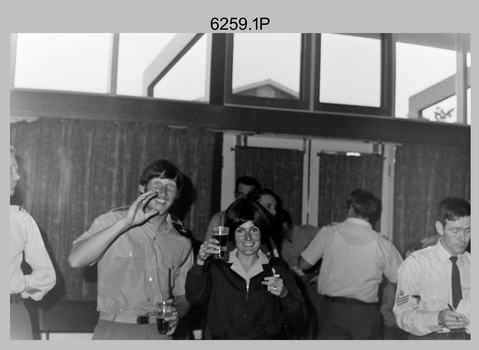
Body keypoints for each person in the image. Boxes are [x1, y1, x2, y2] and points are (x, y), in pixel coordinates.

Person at [68, 159, 194, 340]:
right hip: (115, 330)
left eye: (171, 186)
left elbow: (183, 296)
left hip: (159, 334)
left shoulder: (182, 242)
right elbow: (76, 260)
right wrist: (125, 224)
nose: (164, 192)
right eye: (157, 183)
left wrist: (177, 314)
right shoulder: (111, 221)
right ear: (142, 188)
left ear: (178, 194)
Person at [185, 199, 306, 339]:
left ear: (262, 232)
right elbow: (194, 298)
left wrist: (284, 294)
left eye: (254, 230)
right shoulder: (217, 267)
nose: (248, 237)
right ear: (232, 234)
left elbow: (300, 319)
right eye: (240, 230)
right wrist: (200, 262)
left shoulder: (277, 267)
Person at [298, 189, 403, 340]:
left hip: (332, 310)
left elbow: (303, 265)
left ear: (351, 209)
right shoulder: (382, 243)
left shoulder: (329, 232)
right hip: (364, 313)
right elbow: (400, 279)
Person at [393, 197, 471, 340]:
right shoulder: (416, 264)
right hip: (429, 338)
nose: (463, 239)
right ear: (440, 228)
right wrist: (437, 318)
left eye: (468, 231)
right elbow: (403, 315)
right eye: (455, 231)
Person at [10, 146, 56, 339]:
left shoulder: (20, 220)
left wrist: (21, 285)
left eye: (17, 170)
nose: (18, 177)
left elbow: (46, 276)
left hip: (10, 316)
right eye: (10, 169)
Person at [279, 209, 320, 339]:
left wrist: (312, 271)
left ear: (284, 225)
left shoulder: (309, 232)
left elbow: (331, 253)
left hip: (315, 287)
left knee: (316, 330)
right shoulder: (279, 243)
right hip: (295, 289)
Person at [204, 176, 261, 241]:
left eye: (248, 195)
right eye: (241, 194)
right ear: (235, 194)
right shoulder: (219, 218)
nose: (244, 198)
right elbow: (208, 246)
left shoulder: (260, 219)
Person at [247, 188, 283, 257]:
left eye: (275, 207)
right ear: (255, 208)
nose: (274, 212)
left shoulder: (271, 238)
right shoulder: (245, 237)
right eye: (269, 206)